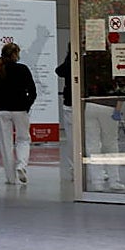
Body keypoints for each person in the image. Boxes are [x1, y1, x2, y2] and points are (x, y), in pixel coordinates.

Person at [0, 42, 37, 185]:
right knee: (23, 139)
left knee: (6, 144)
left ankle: (10, 178)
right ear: (15, 55)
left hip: (2, 110)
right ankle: (21, 165)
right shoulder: (23, 69)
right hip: (20, 109)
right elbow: (32, 90)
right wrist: (27, 104)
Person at [82, 48, 125, 191]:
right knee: (111, 143)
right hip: (109, 105)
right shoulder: (114, 60)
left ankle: (97, 181)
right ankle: (114, 180)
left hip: (89, 104)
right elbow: (122, 87)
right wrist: (118, 110)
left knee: (92, 144)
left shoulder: (85, 61)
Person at [56, 47, 73, 180]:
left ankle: (74, 168)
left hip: (70, 103)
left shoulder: (69, 63)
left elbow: (59, 71)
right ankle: (96, 170)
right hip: (82, 103)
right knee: (92, 138)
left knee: (72, 138)